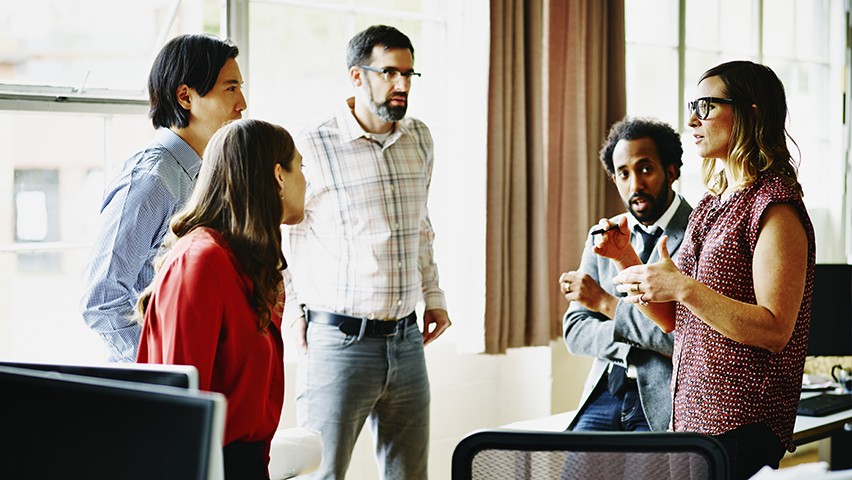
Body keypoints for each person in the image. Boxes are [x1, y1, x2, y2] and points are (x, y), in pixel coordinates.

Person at [597, 61, 815, 479]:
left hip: (741, 423)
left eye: (707, 106)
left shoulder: (775, 207)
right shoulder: (713, 203)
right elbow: (673, 320)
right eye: (692, 106)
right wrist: (627, 258)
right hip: (691, 418)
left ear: (750, 112)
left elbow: (773, 330)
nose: (693, 120)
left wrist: (683, 287)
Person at [282, 25, 451, 479]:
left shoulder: (421, 138)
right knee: (321, 473)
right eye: (390, 73)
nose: (402, 85)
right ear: (357, 77)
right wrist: (291, 311)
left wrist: (433, 296)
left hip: (407, 340)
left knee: (409, 476)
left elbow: (420, 226)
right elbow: (279, 235)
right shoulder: (309, 145)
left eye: (409, 74)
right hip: (337, 343)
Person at [137, 118, 306, 479]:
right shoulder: (201, 261)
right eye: (301, 168)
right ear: (279, 176)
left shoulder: (250, 264)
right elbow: (178, 411)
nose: (307, 181)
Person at [81, 34, 246, 362]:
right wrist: (161, 369)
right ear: (185, 96)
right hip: (159, 386)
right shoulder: (151, 180)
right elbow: (101, 299)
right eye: (231, 88)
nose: (242, 102)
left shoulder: (204, 174)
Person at [559, 117, 692, 433]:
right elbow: (575, 331)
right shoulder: (603, 235)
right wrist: (640, 342)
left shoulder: (699, 234)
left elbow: (682, 339)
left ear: (671, 171)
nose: (635, 185)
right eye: (623, 174)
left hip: (664, 402)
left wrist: (606, 305)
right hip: (605, 392)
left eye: (645, 169)